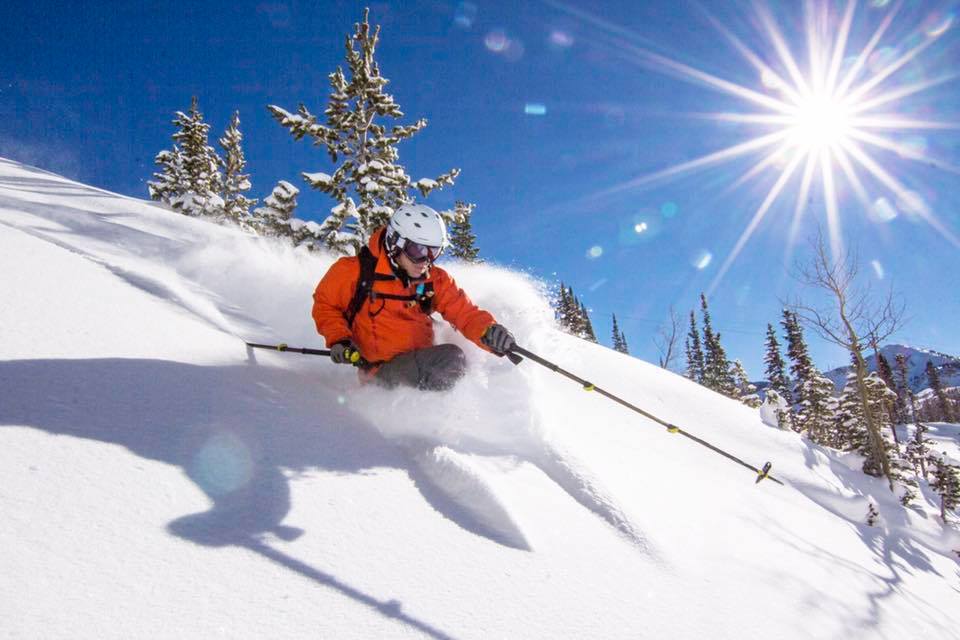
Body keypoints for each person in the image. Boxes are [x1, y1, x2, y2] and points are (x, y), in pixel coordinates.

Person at [311, 203, 516, 391]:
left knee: (470, 365)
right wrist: (339, 339)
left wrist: (488, 331)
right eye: (417, 250)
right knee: (452, 359)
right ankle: (434, 419)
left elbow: (465, 313)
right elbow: (325, 305)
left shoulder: (434, 280)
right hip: (380, 372)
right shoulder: (354, 272)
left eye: (433, 252)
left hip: (422, 364)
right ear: (395, 243)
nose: (425, 261)